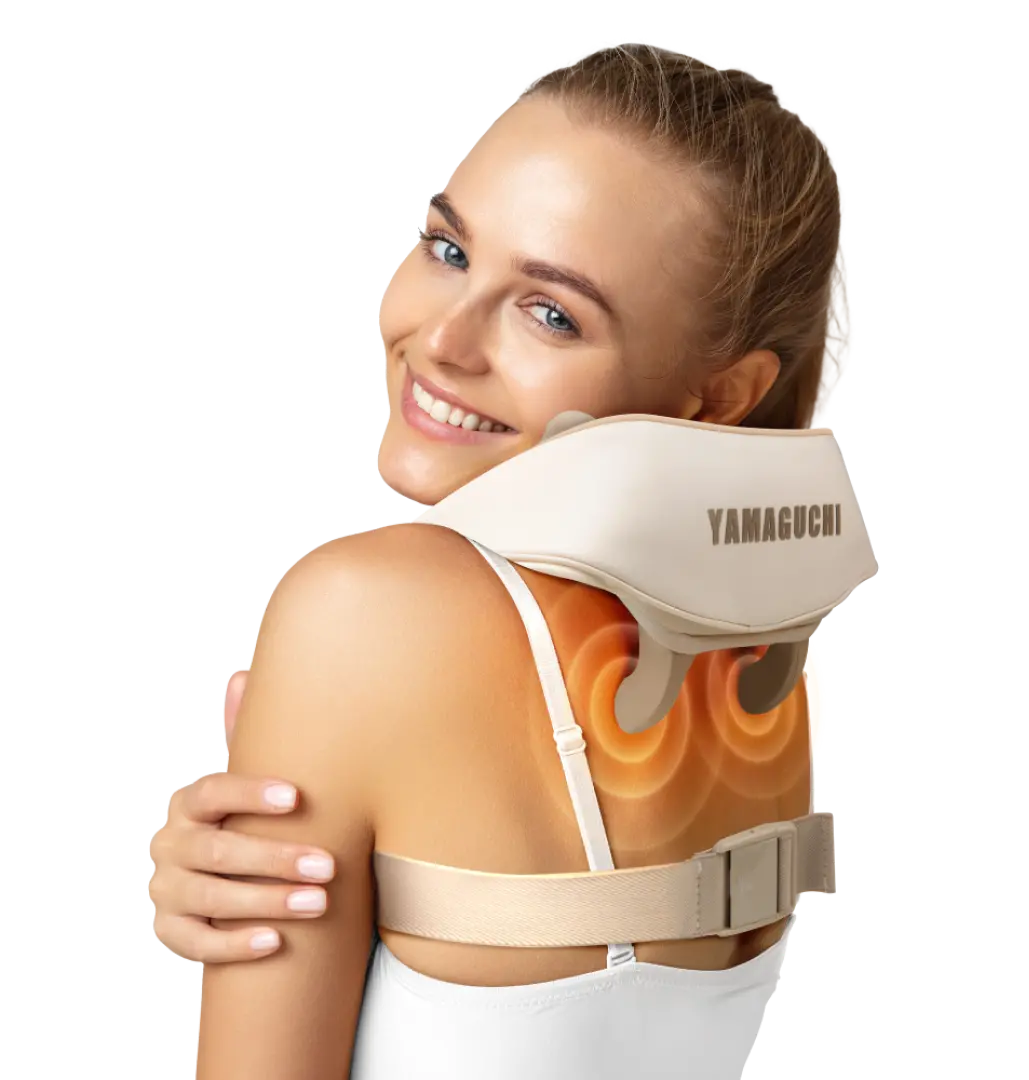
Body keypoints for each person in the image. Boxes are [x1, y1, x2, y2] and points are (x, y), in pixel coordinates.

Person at [159, 41, 851, 1078]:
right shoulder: (761, 669)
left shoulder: (366, 609)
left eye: (551, 313)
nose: (443, 341)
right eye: (448, 249)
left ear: (719, 395)